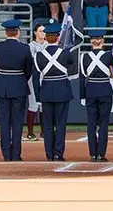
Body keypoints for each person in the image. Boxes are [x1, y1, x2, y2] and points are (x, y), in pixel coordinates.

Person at [0, 19, 32, 161]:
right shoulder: (25, 48)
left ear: (6, 32)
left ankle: (6, 154)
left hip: (2, 85)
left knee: (4, 122)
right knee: (17, 122)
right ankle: (16, 154)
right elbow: (28, 70)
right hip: (19, 85)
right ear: (18, 32)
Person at [32, 27, 75, 161]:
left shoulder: (39, 56)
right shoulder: (65, 53)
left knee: (48, 125)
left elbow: (35, 79)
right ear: (58, 37)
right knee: (60, 124)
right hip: (62, 91)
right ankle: (58, 153)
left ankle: (49, 154)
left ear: (45, 37)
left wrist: (38, 97)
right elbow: (71, 63)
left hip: (46, 92)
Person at [79, 28, 113, 160]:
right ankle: (101, 153)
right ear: (102, 41)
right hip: (105, 89)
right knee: (104, 124)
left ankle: (93, 153)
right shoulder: (108, 55)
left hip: (91, 90)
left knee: (91, 124)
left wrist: (82, 95)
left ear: (91, 41)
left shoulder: (84, 57)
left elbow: (82, 78)